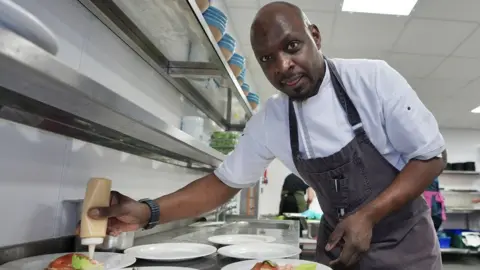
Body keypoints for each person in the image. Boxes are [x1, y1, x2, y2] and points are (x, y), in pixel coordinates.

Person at [81, 2, 446, 269]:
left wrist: (369, 214)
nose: (283, 66)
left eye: (291, 47)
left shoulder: (372, 81)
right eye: (268, 59)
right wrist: (148, 211)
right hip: (339, 253)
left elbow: (431, 156)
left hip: (406, 250)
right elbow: (223, 183)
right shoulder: (272, 118)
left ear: (315, 37)